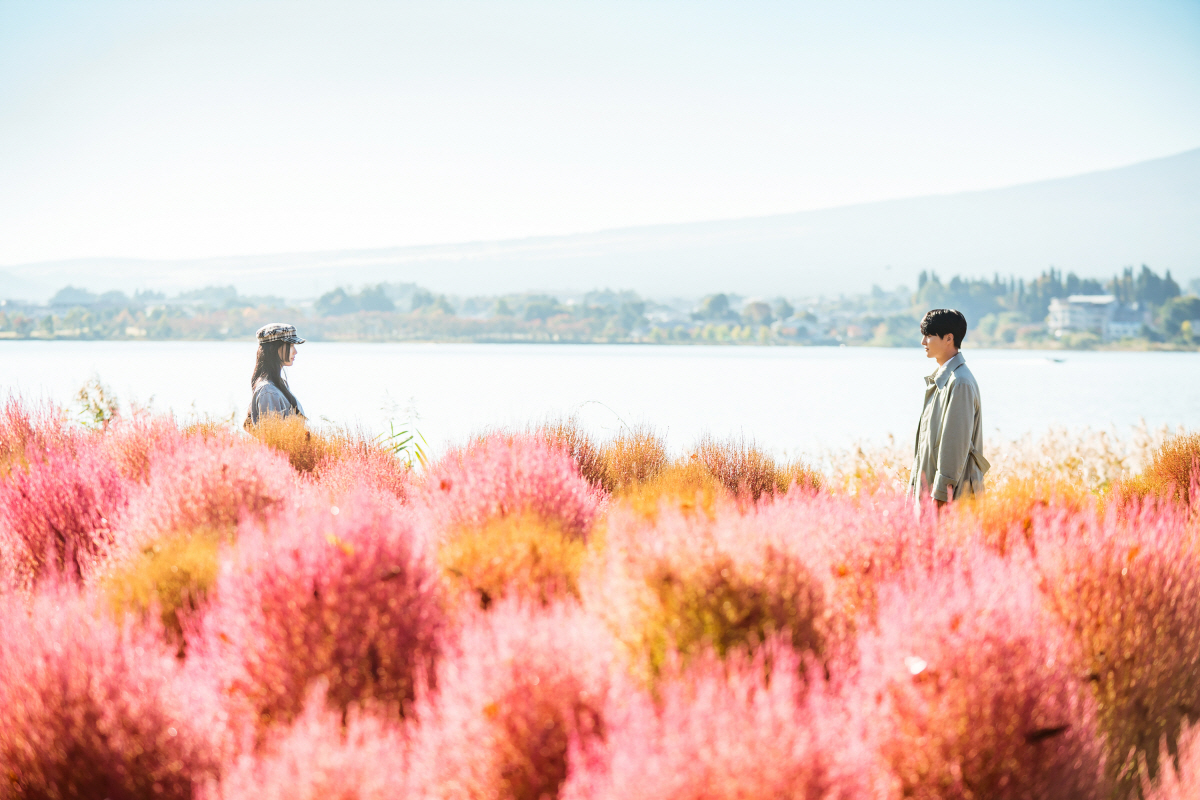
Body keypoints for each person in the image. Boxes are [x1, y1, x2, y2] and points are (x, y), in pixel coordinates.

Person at [909, 308, 989, 507]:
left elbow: (954, 445)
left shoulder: (959, 382)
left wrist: (942, 495)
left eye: (928, 336)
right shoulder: (943, 380)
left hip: (950, 499)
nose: (923, 342)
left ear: (948, 338)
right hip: (934, 495)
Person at [244, 323, 306, 429]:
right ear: (274, 348)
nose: (295, 352)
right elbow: (272, 436)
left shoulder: (278, 385)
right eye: (290, 346)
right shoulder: (268, 390)